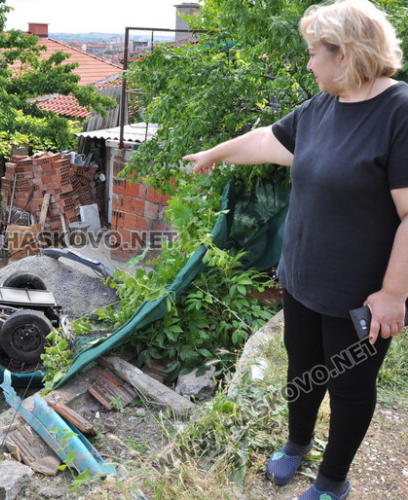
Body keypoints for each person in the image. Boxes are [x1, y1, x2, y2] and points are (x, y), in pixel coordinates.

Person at [182, 1, 407, 499]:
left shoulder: (399, 112)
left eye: (313, 54)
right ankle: (297, 443)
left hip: (360, 295)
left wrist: (394, 293)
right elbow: (268, 140)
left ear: (344, 53)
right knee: (303, 370)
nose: (308, 64)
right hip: (302, 278)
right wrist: (215, 154)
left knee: (348, 389)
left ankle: (333, 480)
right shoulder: (323, 106)